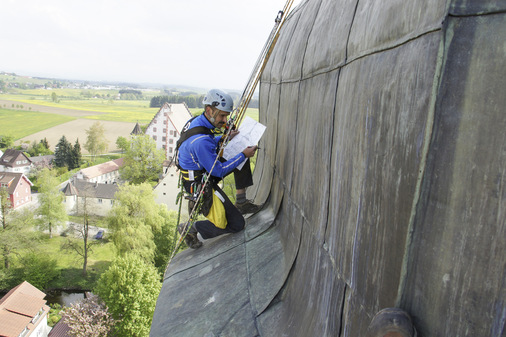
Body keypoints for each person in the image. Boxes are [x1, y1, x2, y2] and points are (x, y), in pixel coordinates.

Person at [176, 89, 260, 248]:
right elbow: (218, 170)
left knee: (240, 149)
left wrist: (224, 138)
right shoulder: (200, 141)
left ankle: (241, 201)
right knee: (237, 224)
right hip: (201, 183)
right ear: (209, 111)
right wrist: (243, 155)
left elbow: (206, 141)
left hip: (202, 169)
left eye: (226, 115)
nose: (224, 119)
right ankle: (191, 228)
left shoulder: (199, 121)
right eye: (222, 116)